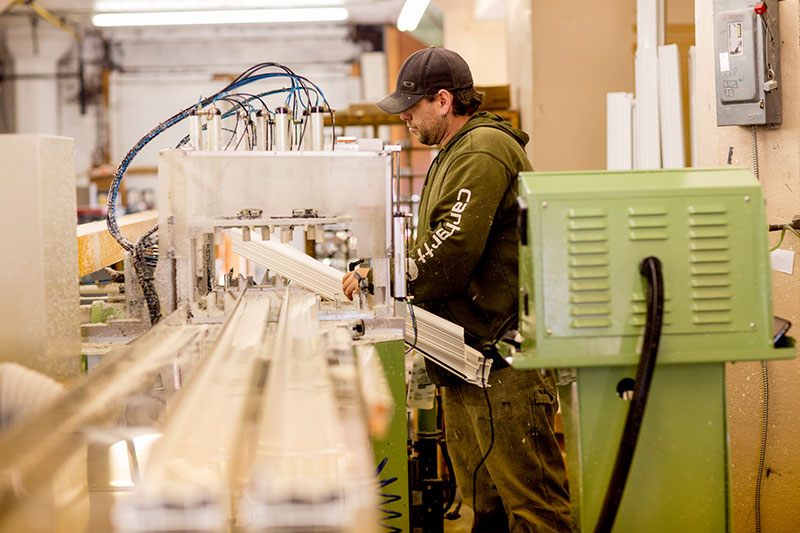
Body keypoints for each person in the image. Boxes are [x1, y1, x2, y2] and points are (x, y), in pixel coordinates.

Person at [342, 47, 571, 533]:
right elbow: (436, 237)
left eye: (412, 104)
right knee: (484, 507)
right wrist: (380, 264)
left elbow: (450, 248)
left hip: (503, 360)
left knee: (534, 510)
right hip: (467, 357)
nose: (404, 115)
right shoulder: (454, 151)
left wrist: (383, 277)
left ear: (443, 100)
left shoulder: (482, 149)